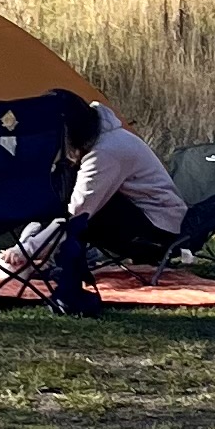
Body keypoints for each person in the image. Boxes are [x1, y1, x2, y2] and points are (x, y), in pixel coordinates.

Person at [23, 91, 186, 312]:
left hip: (157, 231)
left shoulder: (107, 152)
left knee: (82, 208)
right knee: (63, 184)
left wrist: (29, 249)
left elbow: (78, 212)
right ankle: (48, 251)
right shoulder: (102, 137)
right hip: (144, 217)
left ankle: (36, 253)